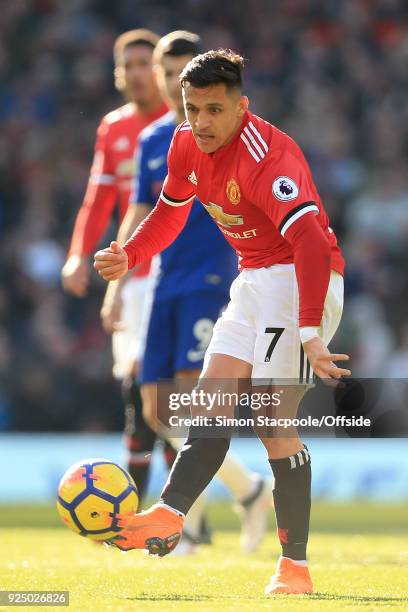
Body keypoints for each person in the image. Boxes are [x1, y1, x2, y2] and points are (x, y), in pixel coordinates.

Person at [94, 49, 351, 595]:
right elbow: (170, 208)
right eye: (192, 109)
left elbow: (307, 241)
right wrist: (131, 256)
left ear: (241, 106)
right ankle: (168, 515)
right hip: (254, 279)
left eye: (214, 109)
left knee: (272, 423)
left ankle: (295, 569)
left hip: (304, 280)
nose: (202, 122)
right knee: (206, 408)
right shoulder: (185, 141)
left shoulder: (268, 157)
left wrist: (309, 328)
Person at [104, 31, 273, 554]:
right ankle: (248, 491)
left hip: (207, 281)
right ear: (167, 82)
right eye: (172, 74)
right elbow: (143, 209)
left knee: (190, 405)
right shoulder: (157, 141)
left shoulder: (228, 136)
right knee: (159, 413)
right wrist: (123, 268)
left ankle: (187, 526)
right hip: (159, 283)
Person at [60, 30, 172, 493]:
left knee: (156, 386)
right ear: (118, 74)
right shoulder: (114, 128)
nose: (138, 73)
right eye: (130, 64)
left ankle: (161, 508)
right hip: (129, 274)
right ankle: (212, 501)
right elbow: (98, 199)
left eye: (147, 63)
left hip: (173, 271)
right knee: (139, 386)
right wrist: (77, 256)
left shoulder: (182, 124)